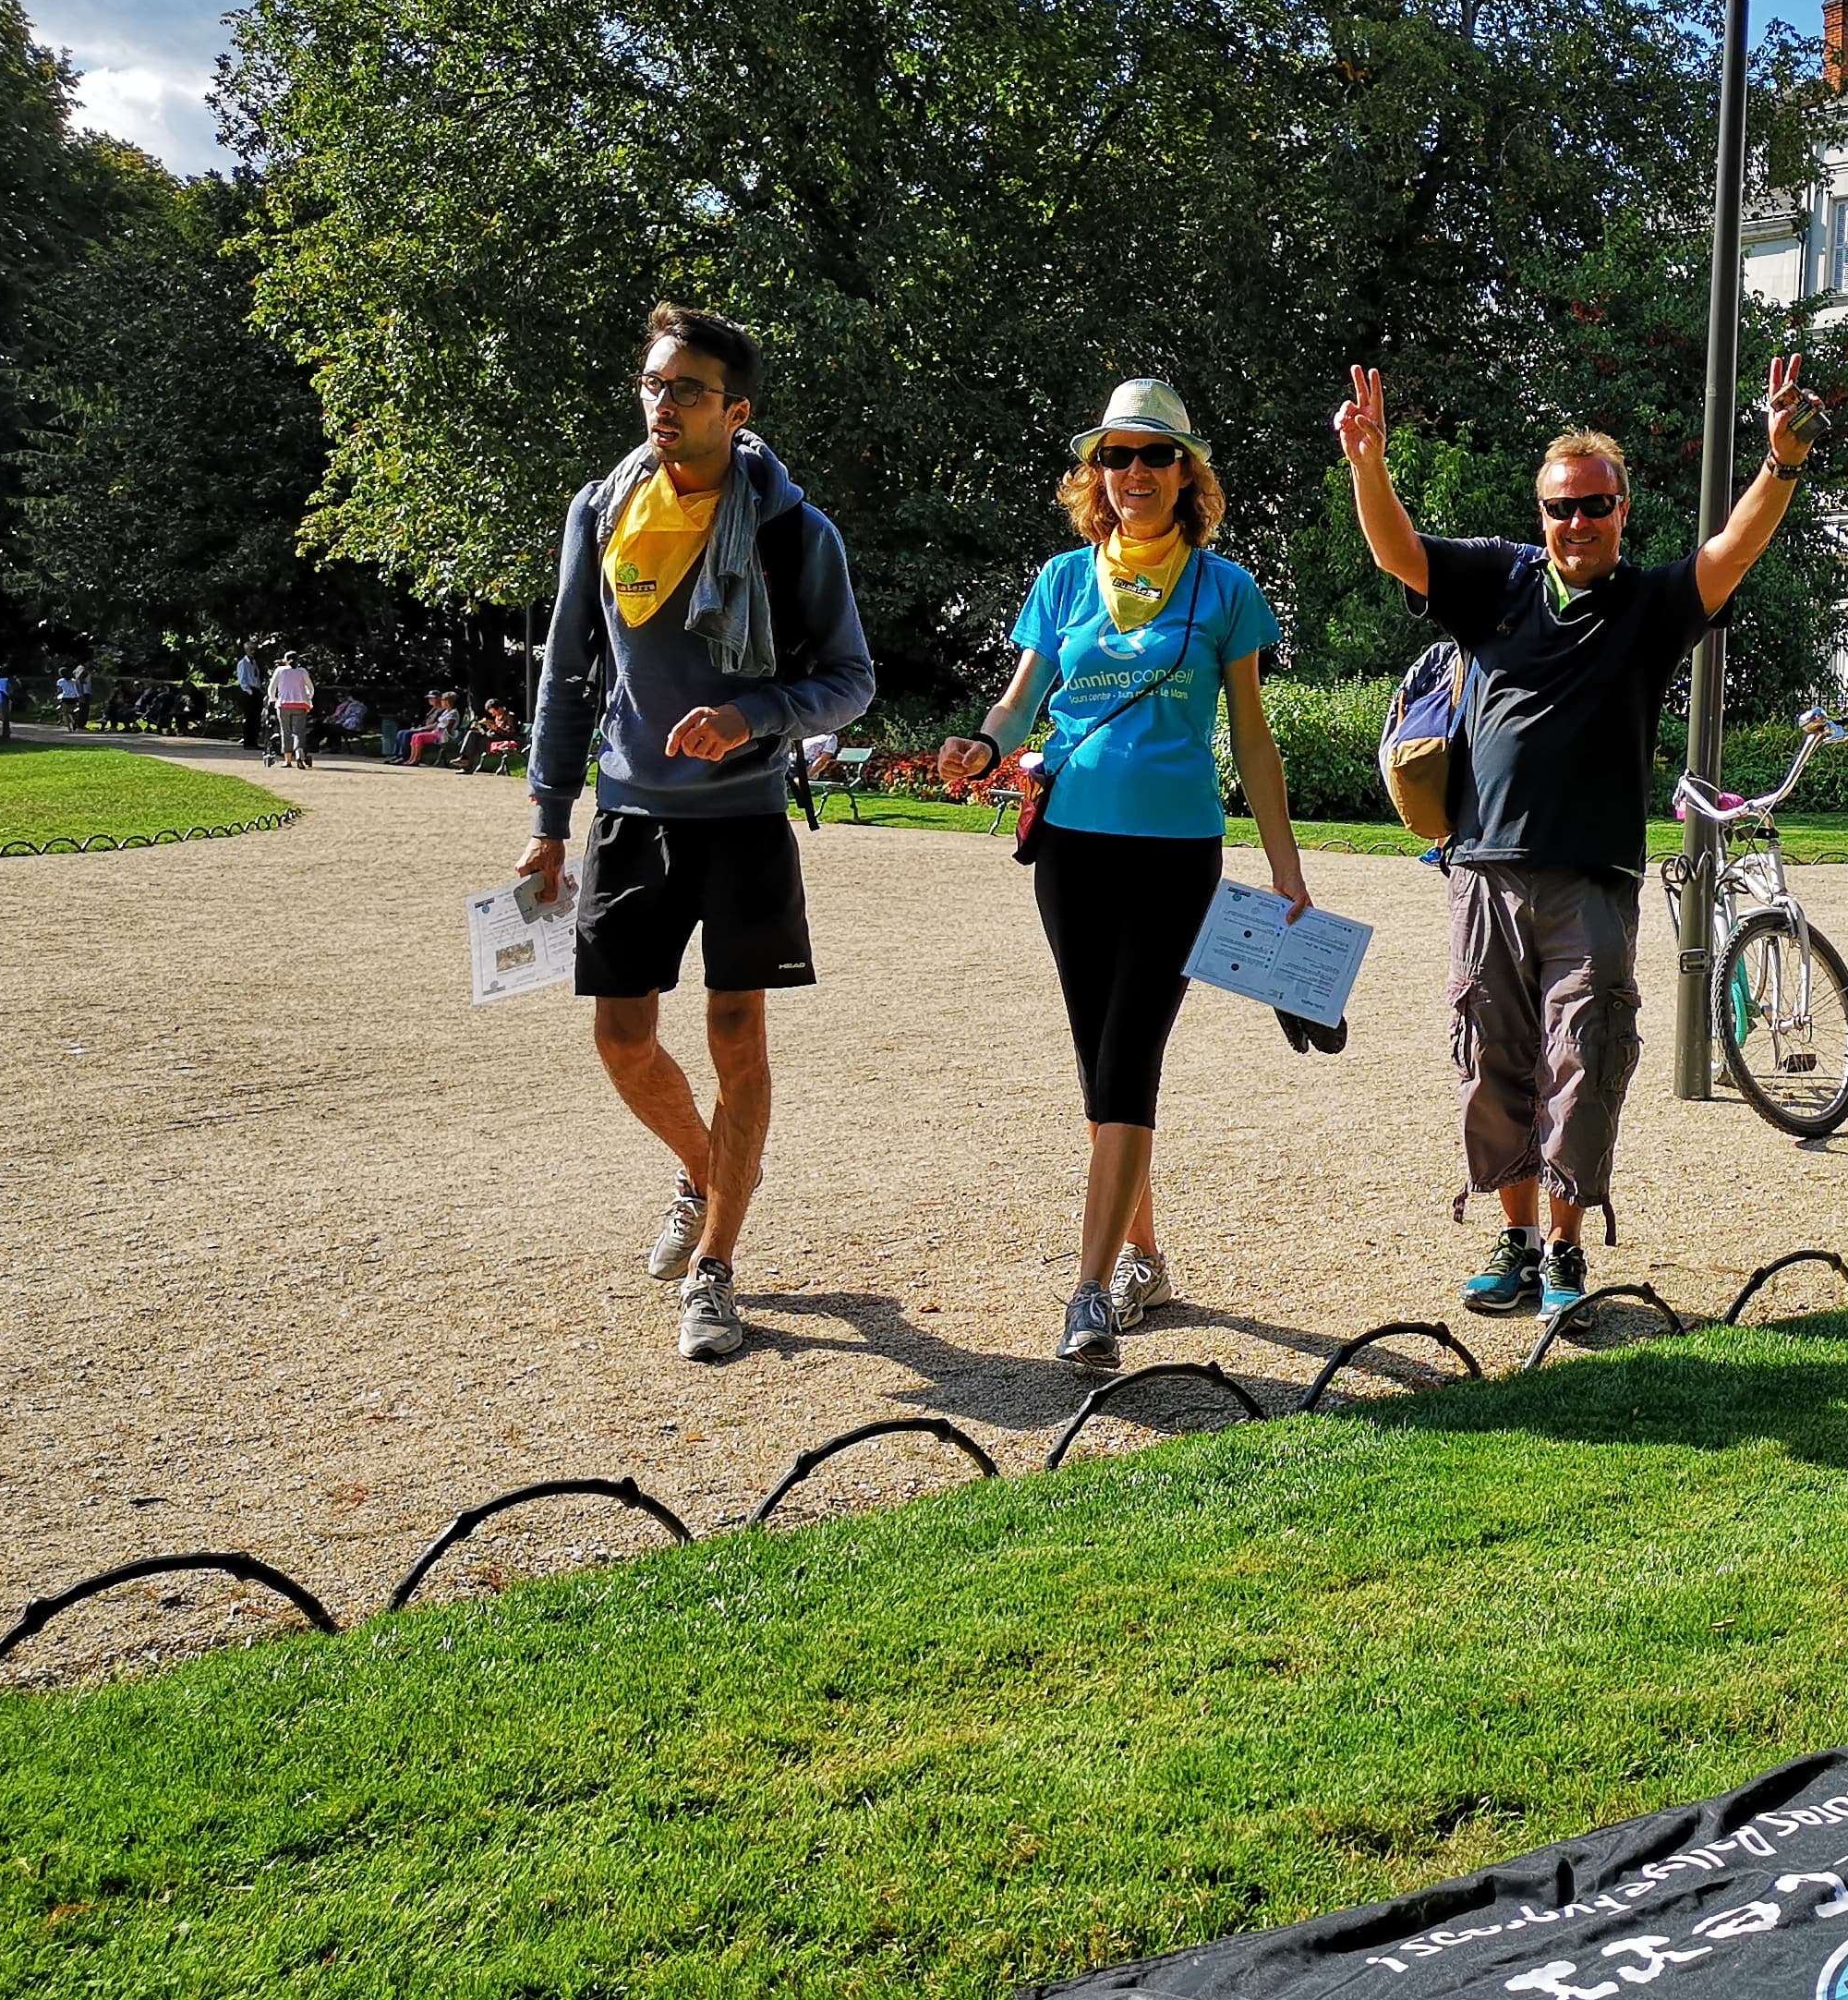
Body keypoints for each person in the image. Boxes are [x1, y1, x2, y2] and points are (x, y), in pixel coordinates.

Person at [1334, 357, 1820, 1319]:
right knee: (1493, 1059)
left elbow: (1732, 551)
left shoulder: (1649, 606)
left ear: (1623, 510)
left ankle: (1564, 1250)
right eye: (1560, 508)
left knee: (1586, 1059)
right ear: (1541, 514)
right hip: (1482, 869)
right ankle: (1512, 1242)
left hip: (1594, 879)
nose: (1576, 524)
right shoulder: (1495, 583)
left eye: (1595, 506)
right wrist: (1368, 464)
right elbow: (1398, 552)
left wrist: (1781, 464)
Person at [514, 303, 876, 1364]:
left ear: (736, 409)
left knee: (734, 1036)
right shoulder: (604, 507)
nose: (660, 405)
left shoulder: (791, 529)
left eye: (684, 389)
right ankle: (714, 1169)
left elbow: (849, 681)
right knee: (621, 1041)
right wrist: (547, 819)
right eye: (652, 385)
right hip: (630, 810)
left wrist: (752, 717)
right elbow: (567, 671)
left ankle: (717, 1265)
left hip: (745, 817)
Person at [936, 380, 1310, 1370]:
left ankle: (1090, 1293)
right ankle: (1142, 1254)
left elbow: (1255, 741)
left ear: (1188, 472)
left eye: (1153, 454)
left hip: (1177, 853)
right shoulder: (1062, 578)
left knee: (1128, 1059)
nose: (1132, 472)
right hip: (1069, 848)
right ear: (1093, 474)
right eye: (1114, 456)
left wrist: (1285, 872)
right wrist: (982, 744)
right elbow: (1020, 703)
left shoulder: (1225, 589)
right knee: (1099, 1062)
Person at [266, 651, 317, 765]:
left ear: (285, 660)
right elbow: (311, 688)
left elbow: (271, 688)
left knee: (286, 732)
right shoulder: (302, 671)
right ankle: (299, 753)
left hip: (284, 705)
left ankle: (288, 760)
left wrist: (273, 699)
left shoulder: (280, 670)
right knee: (299, 732)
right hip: (301, 704)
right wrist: (308, 697)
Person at [235, 648, 267, 749]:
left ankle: (253, 741)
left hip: (256, 690)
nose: (253, 652)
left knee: (256, 718)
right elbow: (242, 679)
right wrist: (250, 692)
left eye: (254, 649)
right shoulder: (243, 663)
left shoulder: (254, 662)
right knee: (250, 718)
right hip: (249, 692)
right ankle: (248, 742)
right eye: (250, 650)